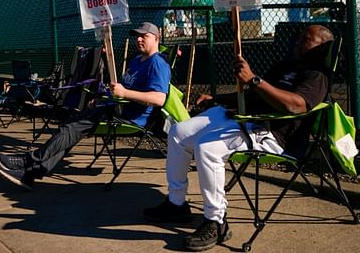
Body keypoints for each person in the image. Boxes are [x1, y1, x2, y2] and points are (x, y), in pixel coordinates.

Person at [142, 24, 334, 251]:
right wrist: (218, 98)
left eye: (307, 39)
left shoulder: (317, 75)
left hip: (269, 132)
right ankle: (176, 204)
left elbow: (296, 105)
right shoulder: (285, 66)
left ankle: (216, 221)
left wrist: (254, 79)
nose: (300, 41)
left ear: (322, 47)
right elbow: (254, 94)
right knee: (178, 132)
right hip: (243, 117)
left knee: (207, 148)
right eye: (301, 36)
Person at [0, 22, 171, 190]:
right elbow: (122, 90)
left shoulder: (157, 63)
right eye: (137, 37)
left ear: (156, 38)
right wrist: (103, 98)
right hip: (113, 108)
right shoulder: (137, 60)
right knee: (70, 127)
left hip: (129, 118)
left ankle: (28, 161)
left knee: (71, 128)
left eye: (144, 36)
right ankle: (29, 175)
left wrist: (124, 93)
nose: (139, 40)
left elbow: (158, 99)